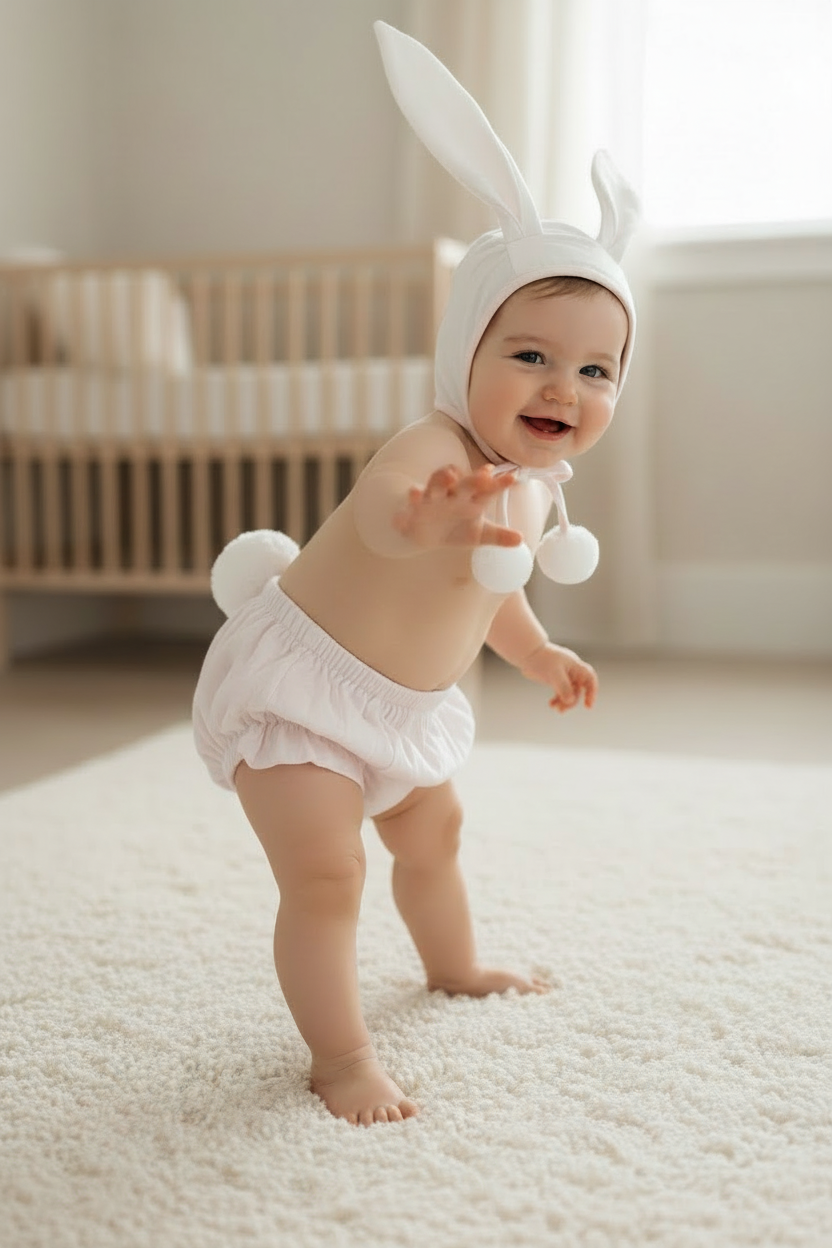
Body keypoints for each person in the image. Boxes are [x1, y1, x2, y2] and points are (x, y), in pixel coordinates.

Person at [192, 22, 639, 1127]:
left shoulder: (532, 488)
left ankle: (453, 964)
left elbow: (496, 591)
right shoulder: (432, 452)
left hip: (402, 706)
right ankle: (338, 1057)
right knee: (328, 876)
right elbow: (390, 534)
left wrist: (537, 650)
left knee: (433, 835)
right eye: (528, 353)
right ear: (466, 359)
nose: (561, 385)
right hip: (302, 693)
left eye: (594, 368)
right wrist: (426, 521)